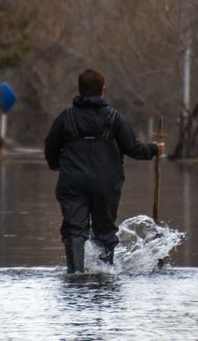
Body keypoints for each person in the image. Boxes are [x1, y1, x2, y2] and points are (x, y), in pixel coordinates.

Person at [44, 68, 164, 273]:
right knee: (105, 232)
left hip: (73, 183)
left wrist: (58, 165)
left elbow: (50, 149)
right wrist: (153, 149)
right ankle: (104, 272)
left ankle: (75, 274)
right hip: (106, 184)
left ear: (80, 90)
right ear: (103, 89)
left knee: (75, 230)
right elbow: (133, 149)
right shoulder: (115, 118)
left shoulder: (65, 118)